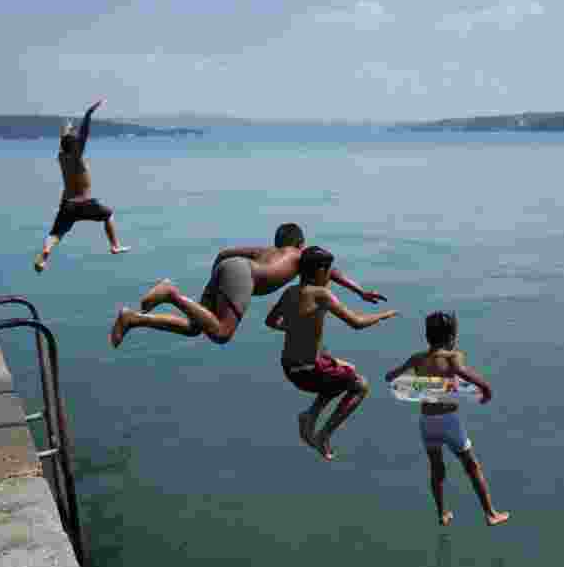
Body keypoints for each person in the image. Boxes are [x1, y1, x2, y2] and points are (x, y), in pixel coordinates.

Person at [109, 223, 387, 347]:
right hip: (243, 274)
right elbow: (332, 270)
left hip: (228, 268)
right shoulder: (300, 255)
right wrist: (359, 291)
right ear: (300, 243)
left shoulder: (265, 250)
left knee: (197, 328)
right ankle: (171, 294)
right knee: (221, 333)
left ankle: (133, 319)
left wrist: (216, 285)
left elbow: (224, 254)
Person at [265, 246, 398, 461]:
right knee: (360, 385)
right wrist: (383, 316)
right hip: (308, 372)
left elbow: (270, 321)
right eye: (328, 270)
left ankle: (310, 416)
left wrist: (295, 329)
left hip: (290, 367)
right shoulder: (321, 295)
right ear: (320, 272)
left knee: (345, 370)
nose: (330, 275)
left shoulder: (289, 292)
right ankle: (323, 435)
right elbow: (357, 323)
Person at [385, 311, 510, 527]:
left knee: (436, 468)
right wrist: (485, 387)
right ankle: (491, 514)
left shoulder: (417, 358)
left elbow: (390, 377)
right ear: (452, 337)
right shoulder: (453, 356)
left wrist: (415, 383)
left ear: (427, 336)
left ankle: (442, 513)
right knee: (471, 466)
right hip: (449, 420)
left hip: (426, 422)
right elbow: (462, 372)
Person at [34, 98, 129, 273]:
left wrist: (67, 129)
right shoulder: (77, 156)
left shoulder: (61, 157)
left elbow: (64, 140)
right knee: (108, 215)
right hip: (84, 202)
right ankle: (115, 246)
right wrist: (88, 114)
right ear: (75, 145)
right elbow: (84, 133)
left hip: (67, 204)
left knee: (57, 233)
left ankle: (46, 253)